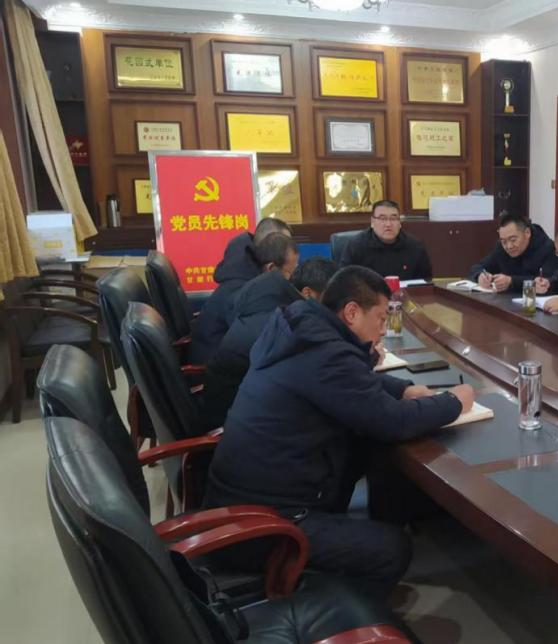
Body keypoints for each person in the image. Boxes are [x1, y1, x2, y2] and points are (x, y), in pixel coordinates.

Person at [203, 266, 475, 600]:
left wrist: (403, 389)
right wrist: (453, 402)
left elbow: (350, 381)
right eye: (380, 318)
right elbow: (392, 421)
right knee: (393, 549)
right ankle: (330, 611)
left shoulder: (301, 329)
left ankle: (357, 530)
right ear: (351, 312)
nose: (383, 329)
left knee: (366, 445)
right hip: (264, 525)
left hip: (239, 499)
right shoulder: (325, 353)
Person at [200, 235, 306, 427]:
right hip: (225, 410)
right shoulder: (245, 294)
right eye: (292, 272)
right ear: (271, 269)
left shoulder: (248, 285)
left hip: (226, 388)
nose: (294, 280)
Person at [190, 217, 293, 363]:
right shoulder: (239, 286)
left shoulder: (249, 272)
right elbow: (254, 336)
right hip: (214, 367)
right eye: (283, 245)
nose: (289, 252)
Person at [339, 199, 432, 281]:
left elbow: (425, 282)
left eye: (393, 218)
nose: (388, 224)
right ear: (372, 222)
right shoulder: (356, 246)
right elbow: (345, 281)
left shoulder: (415, 247)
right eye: (382, 219)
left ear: (400, 223)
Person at [467, 213, 558, 293]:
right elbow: (476, 267)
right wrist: (479, 276)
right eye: (504, 241)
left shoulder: (547, 248)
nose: (509, 246)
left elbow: (550, 283)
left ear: (527, 233)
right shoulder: (501, 248)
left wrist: (512, 282)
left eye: (513, 240)